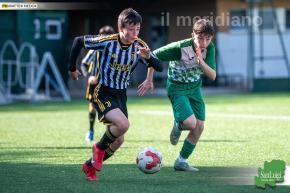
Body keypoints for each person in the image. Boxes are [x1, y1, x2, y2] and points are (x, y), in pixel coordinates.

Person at [68, 8, 163, 181]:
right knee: (124, 125)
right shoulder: (107, 42)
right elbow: (78, 41)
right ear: (121, 28)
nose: (135, 33)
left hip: (121, 95)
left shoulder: (139, 45)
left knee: (118, 141)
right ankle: (98, 148)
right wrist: (72, 68)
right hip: (102, 91)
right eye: (131, 29)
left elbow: (158, 65)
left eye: (137, 30)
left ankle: (89, 166)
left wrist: (149, 66)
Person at [138, 19, 216, 172]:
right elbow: (153, 56)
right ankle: (178, 124)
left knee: (199, 127)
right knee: (190, 123)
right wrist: (149, 79)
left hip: (195, 88)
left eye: (208, 39)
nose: (204, 42)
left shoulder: (210, 48)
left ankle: (181, 161)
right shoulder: (180, 47)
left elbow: (212, 75)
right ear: (192, 35)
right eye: (200, 38)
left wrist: (201, 62)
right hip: (176, 88)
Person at [81, 25, 115, 142]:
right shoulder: (94, 50)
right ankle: (91, 131)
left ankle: (109, 133)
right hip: (94, 83)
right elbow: (84, 64)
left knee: (110, 108)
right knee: (93, 107)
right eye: (103, 36)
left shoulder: (114, 50)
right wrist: (88, 76)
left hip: (108, 84)